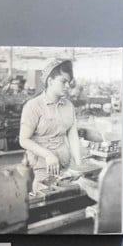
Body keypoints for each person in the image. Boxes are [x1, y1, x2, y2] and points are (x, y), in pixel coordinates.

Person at [19, 58, 82, 191]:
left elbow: (72, 135)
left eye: (69, 83)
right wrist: (48, 154)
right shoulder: (33, 106)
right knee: (45, 204)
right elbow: (23, 140)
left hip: (65, 167)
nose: (67, 86)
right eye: (63, 81)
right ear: (50, 81)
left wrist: (79, 164)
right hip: (42, 170)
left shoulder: (68, 105)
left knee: (69, 203)